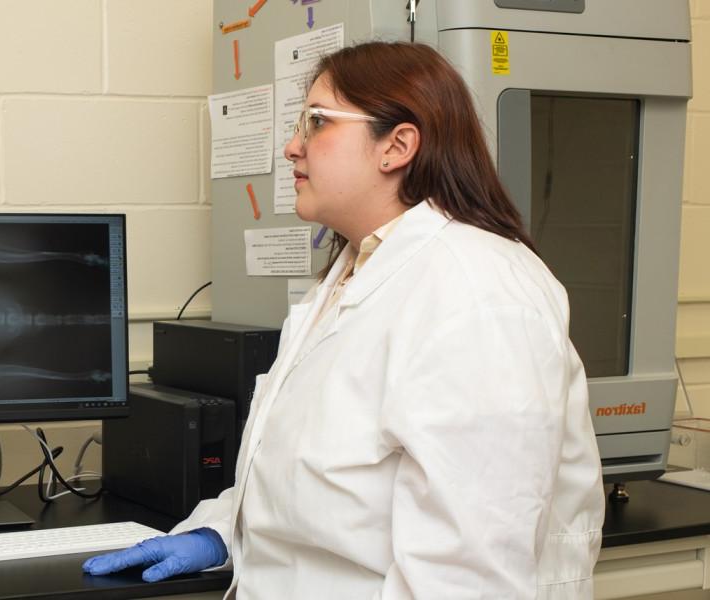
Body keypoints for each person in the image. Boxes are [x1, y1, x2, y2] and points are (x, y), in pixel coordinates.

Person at [84, 41, 604, 598]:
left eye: (316, 122)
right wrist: (221, 530)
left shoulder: (478, 290)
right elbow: (328, 480)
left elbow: (470, 574)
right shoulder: (354, 275)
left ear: (397, 145)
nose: (291, 147)